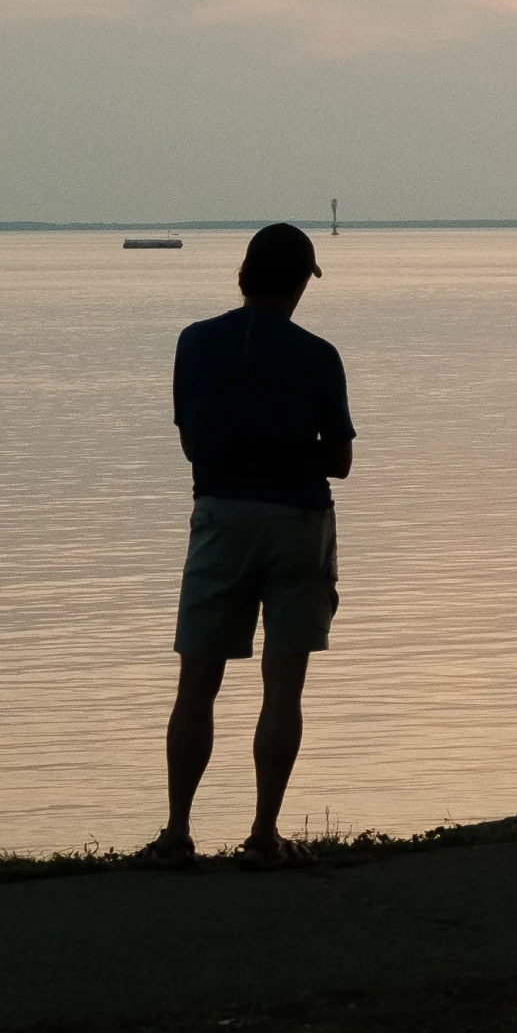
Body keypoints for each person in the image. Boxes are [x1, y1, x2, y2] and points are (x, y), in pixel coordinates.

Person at [157, 221, 354, 862]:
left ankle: (179, 833)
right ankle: (264, 835)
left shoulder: (196, 343)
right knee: (283, 687)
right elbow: (341, 461)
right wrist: (290, 447)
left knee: (197, 684)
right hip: (298, 522)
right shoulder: (319, 356)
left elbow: (191, 444)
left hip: (221, 519)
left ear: (244, 275)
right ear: (299, 283)